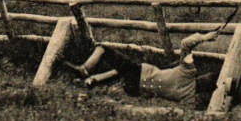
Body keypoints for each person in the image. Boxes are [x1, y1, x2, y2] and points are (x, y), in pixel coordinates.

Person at [64, 31, 220, 109]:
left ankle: (86, 69)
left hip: (138, 73)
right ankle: (93, 80)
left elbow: (186, 43)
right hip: (136, 89)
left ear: (205, 82)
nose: (204, 75)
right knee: (121, 70)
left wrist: (206, 37)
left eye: (208, 77)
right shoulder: (189, 98)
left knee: (103, 48)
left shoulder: (189, 72)